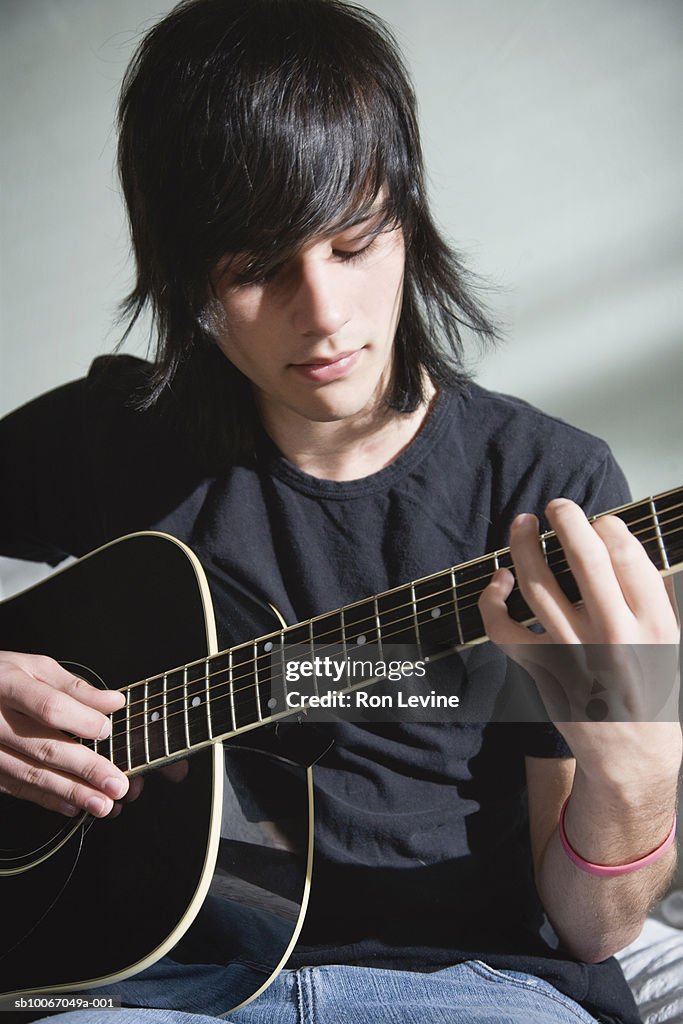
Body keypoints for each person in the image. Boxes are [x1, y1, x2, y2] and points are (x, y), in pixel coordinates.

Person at [0, 1, 680, 1022]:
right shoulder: (116, 437)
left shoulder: (552, 482)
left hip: (466, 983)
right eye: (254, 270)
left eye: (355, 242)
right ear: (185, 279)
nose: (322, 316)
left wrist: (638, 768)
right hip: (146, 984)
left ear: (408, 216)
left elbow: (596, 928)